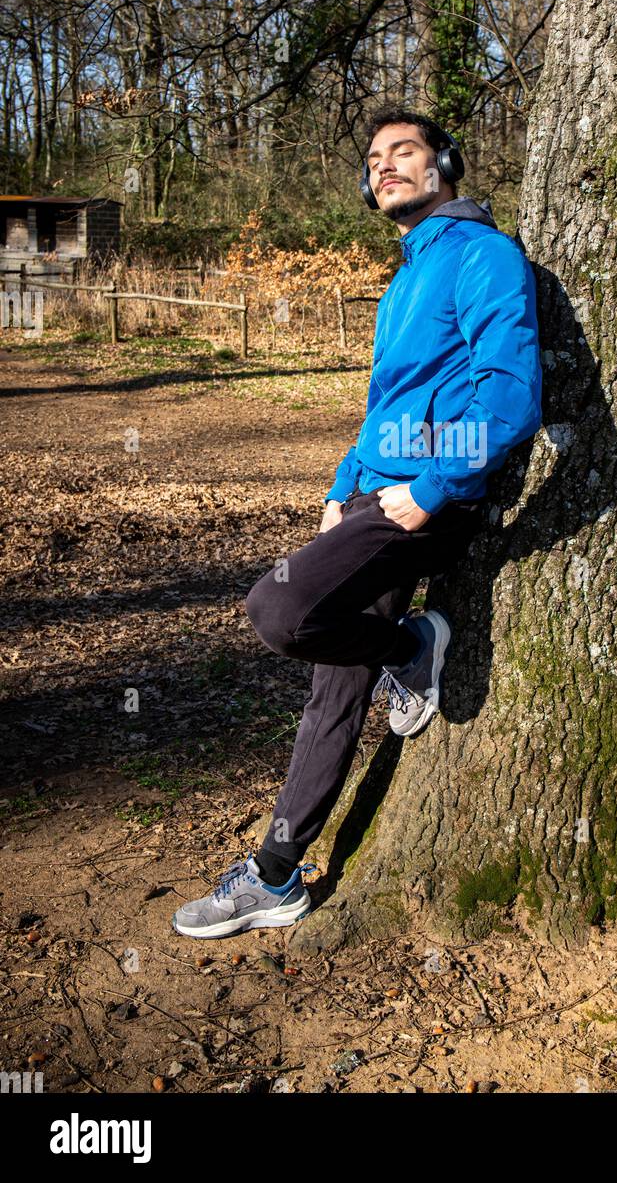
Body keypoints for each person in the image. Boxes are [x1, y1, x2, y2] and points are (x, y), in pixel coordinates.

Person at [172, 107, 543, 939]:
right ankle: (275, 875)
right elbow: (386, 407)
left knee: (279, 611)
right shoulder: (408, 276)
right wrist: (345, 482)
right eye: (374, 159)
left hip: (428, 502)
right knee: (329, 696)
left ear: (444, 162)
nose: (385, 167)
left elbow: (511, 396)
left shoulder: (482, 255)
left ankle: (412, 648)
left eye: (403, 152)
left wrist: (437, 484)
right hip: (374, 497)